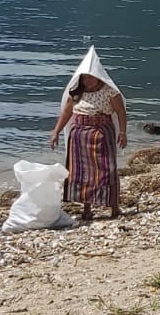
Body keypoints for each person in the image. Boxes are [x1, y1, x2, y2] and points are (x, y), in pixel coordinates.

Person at [48, 48, 128, 220]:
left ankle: (114, 206)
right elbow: (66, 112)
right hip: (79, 136)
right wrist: (56, 132)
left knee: (107, 169)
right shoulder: (76, 92)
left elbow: (121, 112)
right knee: (81, 172)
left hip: (102, 133)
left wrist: (122, 132)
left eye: (90, 77)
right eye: (84, 77)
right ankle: (86, 209)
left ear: (98, 76)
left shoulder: (110, 91)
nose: (87, 81)